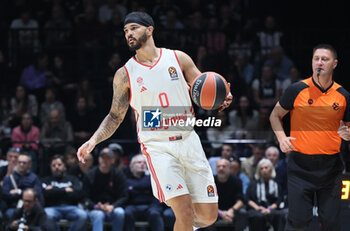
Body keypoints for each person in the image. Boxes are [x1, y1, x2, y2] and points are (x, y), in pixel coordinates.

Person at [77, 11, 232, 231]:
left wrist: (221, 95)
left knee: (208, 217)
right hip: (158, 147)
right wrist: (93, 141)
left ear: (150, 30)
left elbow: (203, 88)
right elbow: (114, 116)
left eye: (133, 28)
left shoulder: (178, 58)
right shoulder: (124, 74)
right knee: (185, 212)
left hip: (188, 139)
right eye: (125, 31)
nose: (129, 34)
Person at [269, 44, 350, 231]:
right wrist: (281, 138)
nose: (319, 63)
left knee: (331, 223)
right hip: (300, 167)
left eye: (325, 59)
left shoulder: (344, 96)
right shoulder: (296, 90)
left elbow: (348, 128)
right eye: (316, 59)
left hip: (331, 169)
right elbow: (275, 115)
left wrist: (348, 134)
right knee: (298, 222)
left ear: (334, 64)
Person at [82, 147, 128, 231]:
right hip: (95, 208)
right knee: (99, 214)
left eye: (108, 158)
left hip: (113, 207)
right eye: (102, 157)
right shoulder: (90, 175)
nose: (104, 160)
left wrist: (113, 206)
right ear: (99, 159)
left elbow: (124, 196)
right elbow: (85, 198)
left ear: (113, 160)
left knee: (120, 212)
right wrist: (95, 206)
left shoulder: (118, 174)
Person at [41, 155, 87, 231]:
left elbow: (77, 194)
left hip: (71, 207)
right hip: (52, 208)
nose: (56, 167)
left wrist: (54, 190)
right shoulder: (45, 180)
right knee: (46, 215)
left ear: (64, 166)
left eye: (59, 165)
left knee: (83, 215)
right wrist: (65, 190)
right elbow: (45, 194)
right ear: (50, 168)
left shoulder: (73, 179)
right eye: (53, 165)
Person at [124, 154, 164, 231]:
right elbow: (124, 197)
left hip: (149, 207)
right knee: (127, 213)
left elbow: (157, 196)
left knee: (155, 213)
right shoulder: (126, 181)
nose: (142, 164)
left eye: (144, 163)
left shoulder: (152, 179)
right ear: (131, 166)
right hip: (133, 207)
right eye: (139, 162)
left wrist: (155, 206)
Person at [246, 158, 285, 231]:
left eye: (266, 168)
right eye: (261, 168)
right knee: (258, 216)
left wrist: (269, 209)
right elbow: (247, 199)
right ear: (259, 171)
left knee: (279, 215)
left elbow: (279, 200)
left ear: (271, 169)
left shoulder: (276, 185)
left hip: (271, 209)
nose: (264, 170)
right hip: (256, 209)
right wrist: (257, 207)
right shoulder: (253, 184)